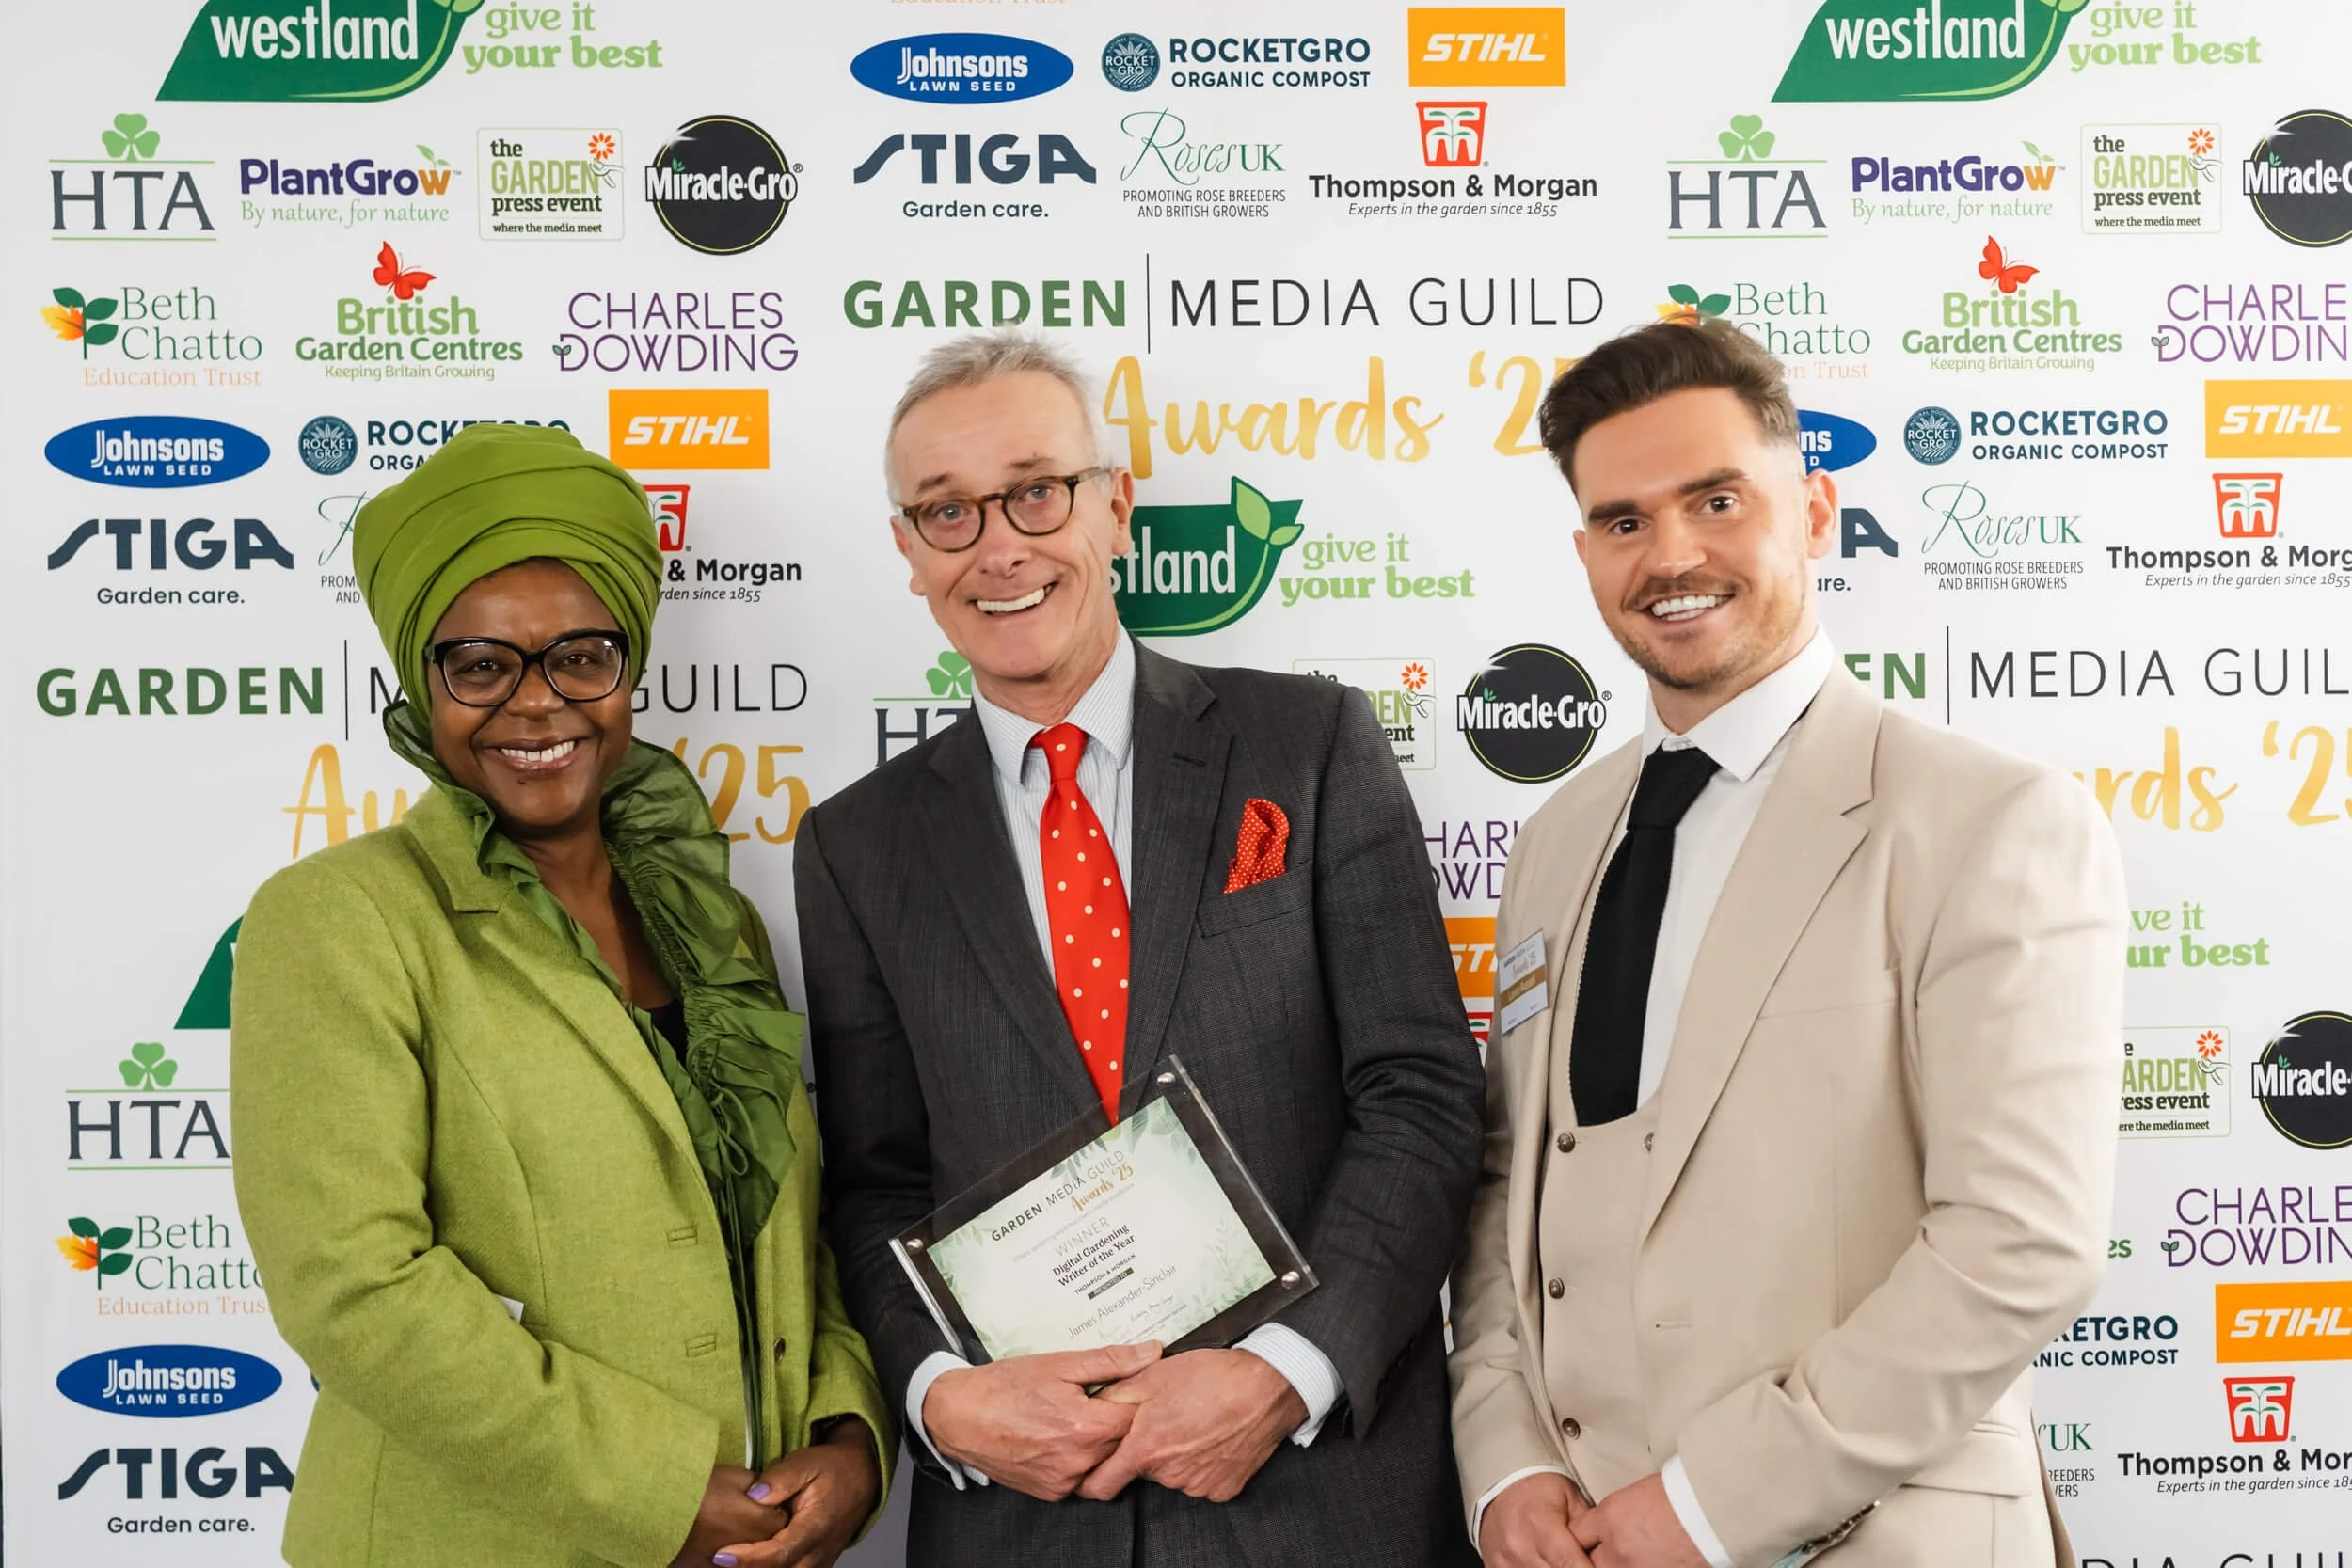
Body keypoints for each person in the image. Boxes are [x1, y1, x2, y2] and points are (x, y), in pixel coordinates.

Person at [796, 332, 1485, 1568]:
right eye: (945, 511)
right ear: (907, 551)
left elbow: (1420, 1093)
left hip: (1324, 1498)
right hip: (1024, 1520)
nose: (997, 543)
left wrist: (1287, 1367)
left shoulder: (1309, 743)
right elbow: (875, 1187)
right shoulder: (856, 846)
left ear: (1116, 506)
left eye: (1035, 490)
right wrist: (944, 1395)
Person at [1447, 320, 2124, 1568]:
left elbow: (2020, 1239)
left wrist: (1709, 1501)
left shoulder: (1985, 818)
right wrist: (1510, 1459)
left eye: (1717, 498)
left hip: (1874, 1536)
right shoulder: (1556, 837)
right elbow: (1508, 1199)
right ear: (1586, 551)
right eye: (1624, 520)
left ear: (1813, 512)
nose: (1673, 553)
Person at [230, 424, 891, 1568]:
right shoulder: (338, 918)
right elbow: (357, 1288)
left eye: (579, 655)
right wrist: (662, 1489)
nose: (536, 704)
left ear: (628, 665)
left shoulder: (713, 923)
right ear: (421, 685)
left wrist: (847, 1433)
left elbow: (784, 1229)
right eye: (480, 664)